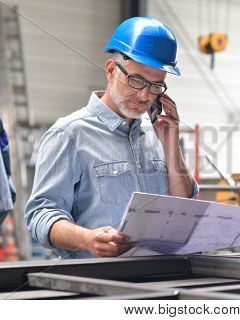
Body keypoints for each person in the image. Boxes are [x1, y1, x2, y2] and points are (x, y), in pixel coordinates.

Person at [25, 17, 198, 259]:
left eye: (157, 86)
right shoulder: (69, 135)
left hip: (164, 280)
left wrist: (171, 146)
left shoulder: (159, 133)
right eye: (137, 80)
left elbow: (185, 209)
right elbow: (41, 215)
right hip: (102, 284)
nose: (145, 95)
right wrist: (86, 239)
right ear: (110, 70)